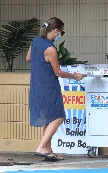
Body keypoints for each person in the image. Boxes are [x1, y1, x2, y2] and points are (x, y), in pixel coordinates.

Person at [26, 17, 85, 161]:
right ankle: (41, 146)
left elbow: (28, 58)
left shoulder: (35, 41)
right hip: (48, 86)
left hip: (36, 84)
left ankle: (48, 150)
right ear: (55, 30)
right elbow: (57, 72)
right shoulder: (50, 48)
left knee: (48, 117)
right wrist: (75, 76)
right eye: (61, 33)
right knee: (58, 116)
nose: (60, 36)